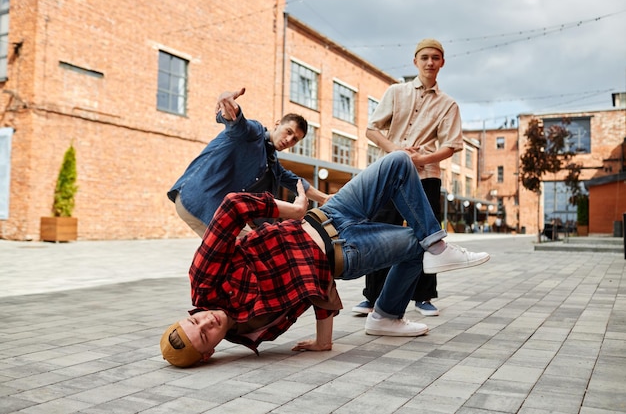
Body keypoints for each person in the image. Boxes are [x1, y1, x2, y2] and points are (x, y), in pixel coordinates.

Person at [160, 151, 489, 367]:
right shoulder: (255, 331)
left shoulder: (204, 281)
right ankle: (388, 314)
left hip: (325, 214)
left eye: (194, 321)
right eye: (204, 334)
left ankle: (437, 248)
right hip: (345, 252)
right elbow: (313, 286)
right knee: (416, 245)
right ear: (209, 353)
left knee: (398, 162)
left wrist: (292, 210)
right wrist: (323, 341)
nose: (206, 322)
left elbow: (233, 205)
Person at [352, 38, 463, 317]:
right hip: (389, 173)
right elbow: (372, 130)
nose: (429, 62)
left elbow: (450, 146)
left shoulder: (449, 105)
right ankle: (372, 296)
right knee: (378, 231)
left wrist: (419, 159)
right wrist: (397, 154)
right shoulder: (395, 92)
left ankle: (424, 295)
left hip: (426, 175)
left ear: (442, 63)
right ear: (415, 61)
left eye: (435, 58)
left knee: (427, 234)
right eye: (424, 57)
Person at [168, 87, 329, 237]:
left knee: (248, 252)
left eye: (295, 139)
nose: (289, 140)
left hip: (217, 209)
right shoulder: (255, 133)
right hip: (200, 199)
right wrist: (228, 105)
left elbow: (295, 182)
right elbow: (237, 123)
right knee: (253, 251)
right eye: (289, 132)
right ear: (277, 124)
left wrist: (323, 198)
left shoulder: (271, 161)